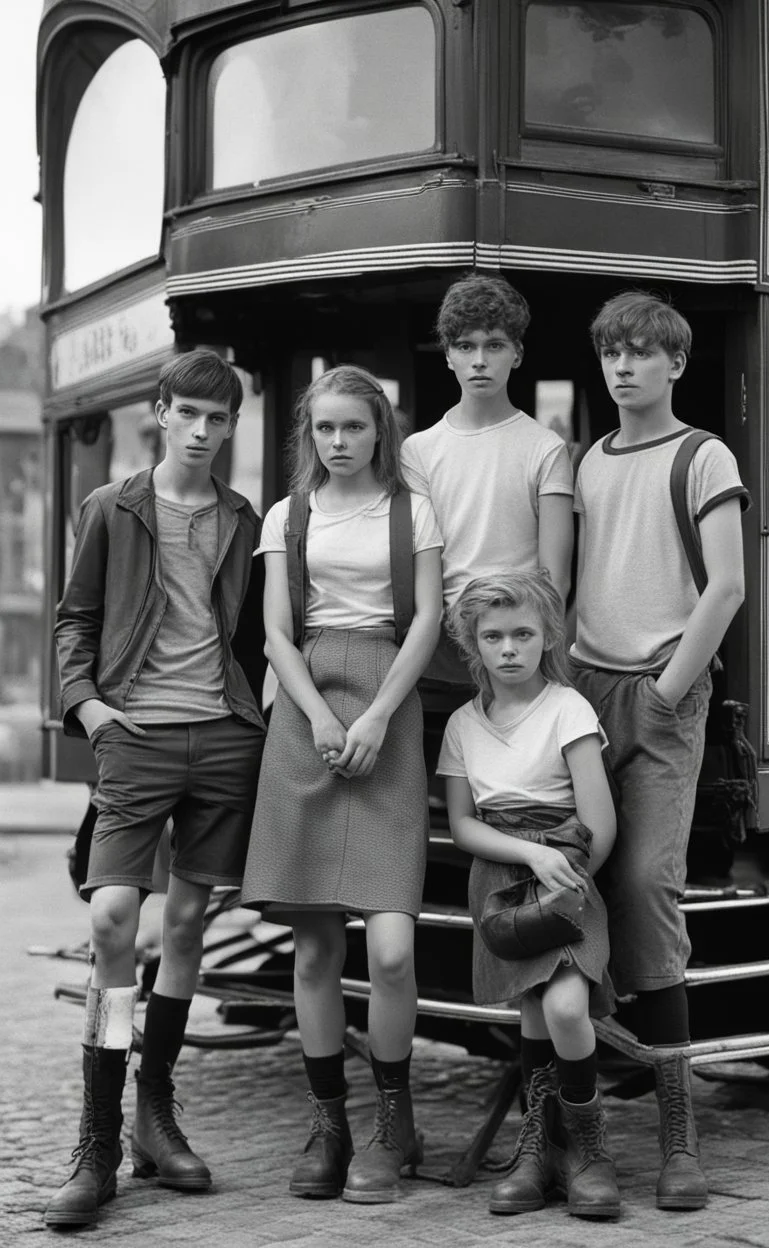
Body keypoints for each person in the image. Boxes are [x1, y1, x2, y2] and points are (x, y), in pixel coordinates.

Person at [47, 350, 267, 1228]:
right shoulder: (114, 507)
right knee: (110, 918)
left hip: (221, 737)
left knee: (185, 922)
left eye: (220, 420)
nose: (205, 432)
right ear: (163, 413)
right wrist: (88, 706)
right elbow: (77, 619)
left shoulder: (247, 520)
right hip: (132, 732)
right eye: (191, 416)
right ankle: (97, 1139)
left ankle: (155, 1114)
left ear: (231, 427)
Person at [240, 365, 443, 1204]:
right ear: (308, 435)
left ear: (378, 432)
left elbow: (428, 618)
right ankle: (332, 1127)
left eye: (353, 428)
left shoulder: (412, 510)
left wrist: (374, 719)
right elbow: (275, 632)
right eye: (324, 429)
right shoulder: (290, 515)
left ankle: (396, 1126)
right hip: (305, 707)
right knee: (316, 945)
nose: (338, 441)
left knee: (392, 950)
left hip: (389, 703)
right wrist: (319, 716)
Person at [570, 291, 749, 1210]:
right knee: (567, 892)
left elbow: (726, 587)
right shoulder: (588, 460)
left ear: (675, 364)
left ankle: (680, 1139)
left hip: (658, 690)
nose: (625, 367)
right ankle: (573, 1131)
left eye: (643, 353)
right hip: (580, 694)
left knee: (644, 885)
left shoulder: (702, 453)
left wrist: (667, 692)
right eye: (612, 353)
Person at [438, 570, 619, 1220]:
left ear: (546, 639)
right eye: (493, 636)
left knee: (567, 1008)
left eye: (522, 634)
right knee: (534, 1014)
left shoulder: (568, 710)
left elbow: (600, 825)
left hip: (565, 877)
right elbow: (462, 826)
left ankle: (589, 1151)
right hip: (500, 886)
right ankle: (539, 1152)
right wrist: (526, 854)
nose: (508, 647)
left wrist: (557, 866)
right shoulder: (463, 724)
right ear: (472, 643)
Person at [400, 273, 574, 767]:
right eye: (465, 345)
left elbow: (554, 576)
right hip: (438, 656)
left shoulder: (544, 447)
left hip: (518, 656)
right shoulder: (419, 450)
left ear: (517, 353)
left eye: (494, 345)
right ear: (448, 353)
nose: (480, 360)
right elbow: (420, 562)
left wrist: (523, 644)